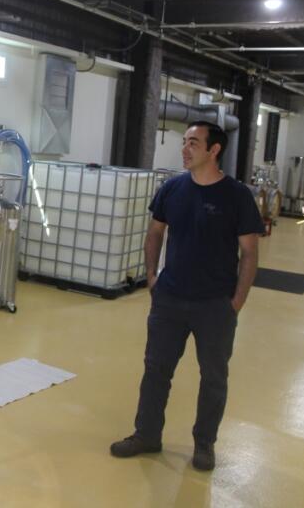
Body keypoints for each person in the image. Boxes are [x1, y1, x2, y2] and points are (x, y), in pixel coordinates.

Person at [110, 121, 265, 471]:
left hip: (215, 305)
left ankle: (204, 444)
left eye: (194, 143)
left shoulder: (237, 196)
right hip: (170, 300)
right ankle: (147, 434)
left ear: (214, 150)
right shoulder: (172, 189)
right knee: (156, 370)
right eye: (184, 142)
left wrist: (236, 302)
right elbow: (155, 233)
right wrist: (152, 278)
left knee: (213, 376)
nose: (185, 149)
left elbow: (250, 253)